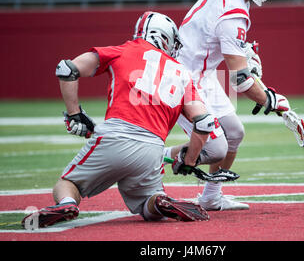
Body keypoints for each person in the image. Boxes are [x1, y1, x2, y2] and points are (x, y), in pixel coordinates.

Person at [22, 12, 216, 229]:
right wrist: (189, 162)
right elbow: (204, 123)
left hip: (115, 135)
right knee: (148, 205)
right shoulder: (181, 73)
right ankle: (159, 202)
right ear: (165, 38)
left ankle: (67, 203)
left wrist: (74, 113)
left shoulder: (123, 51)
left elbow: (67, 69)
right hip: (152, 149)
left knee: (68, 183)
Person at [163, 0, 291, 211]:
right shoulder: (232, 13)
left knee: (234, 133)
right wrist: (272, 100)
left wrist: (245, 52)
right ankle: (150, 156)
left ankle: (210, 197)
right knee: (217, 148)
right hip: (181, 78)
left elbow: (219, 39)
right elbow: (241, 80)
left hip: (200, 74)